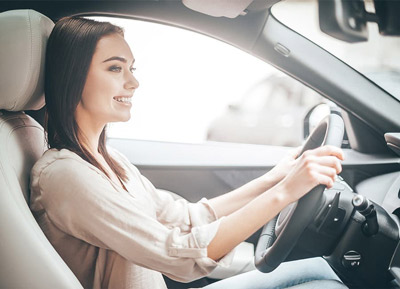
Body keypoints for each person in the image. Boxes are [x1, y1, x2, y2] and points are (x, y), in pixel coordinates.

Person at [30, 17, 346, 289]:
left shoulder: (109, 162)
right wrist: (284, 192)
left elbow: (186, 218)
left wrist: (274, 178)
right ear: (74, 76)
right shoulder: (65, 175)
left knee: (324, 272)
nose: (134, 82)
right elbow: (177, 255)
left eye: (132, 69)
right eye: (115, 68)